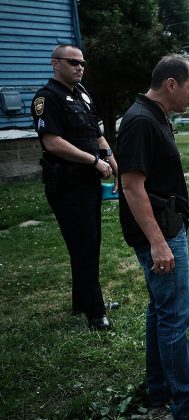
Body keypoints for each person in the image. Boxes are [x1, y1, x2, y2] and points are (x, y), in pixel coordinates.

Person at [117, 54, 189, 420]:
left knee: (160, 312)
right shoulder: (140, 121)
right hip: (161, 234)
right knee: (175, 318)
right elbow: (131, 187)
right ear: (170, 85)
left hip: (167, 228)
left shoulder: (154, 116)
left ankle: (159, 390)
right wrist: (158, 242)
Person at [31, 44, 118, 331]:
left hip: (88, 182)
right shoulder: (47, 98)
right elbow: (52, 142)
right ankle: (96, 313)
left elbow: (97, 133)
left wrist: (111, 161)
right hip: (66, 184)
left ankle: (82, 301)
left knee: (90, 244)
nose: (80, 67)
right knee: (84, 245)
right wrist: (93, 161)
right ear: (55, 63)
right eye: (73, 62)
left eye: (82, 62)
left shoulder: (82, 94)